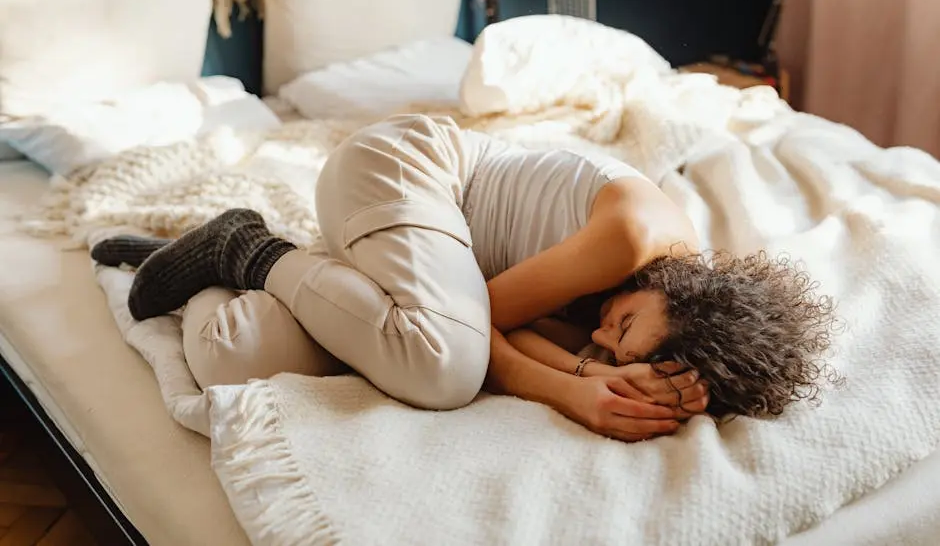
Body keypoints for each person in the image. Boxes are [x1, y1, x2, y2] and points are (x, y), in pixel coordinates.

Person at [91, 114, 836, 442]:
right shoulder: (634, 236)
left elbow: (507, 329)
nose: (605, 334)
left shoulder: (635, 308)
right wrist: (574, 389)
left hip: (420, 261)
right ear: (684, 288)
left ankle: (196, 259)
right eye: (626, 327)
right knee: (443, 366)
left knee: (237, 354)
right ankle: (242, 245)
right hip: (405, 170)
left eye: (618, 350)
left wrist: (607, 374)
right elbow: (481, 331)